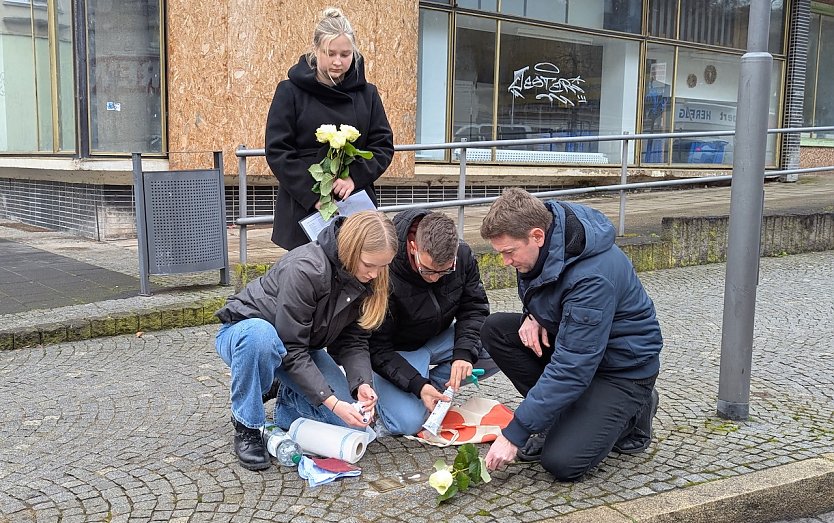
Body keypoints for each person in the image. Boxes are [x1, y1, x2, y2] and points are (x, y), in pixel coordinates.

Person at [479, 188, 663, 482]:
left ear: (537, 236)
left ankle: (637, 408)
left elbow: (572, 367)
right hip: (581, 349)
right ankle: (559, 416)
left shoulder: (591, 277)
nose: (505, 262)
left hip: (621, 369)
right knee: (497, 330)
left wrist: (515, 433)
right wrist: (532, 314)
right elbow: (545, 289)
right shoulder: (545, 242)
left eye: (509, 252)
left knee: (562, 462)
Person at [214, 210, 397, 470]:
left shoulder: (365, 276)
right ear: (351, 249)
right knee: (261, 337)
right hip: (246, 334)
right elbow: (291, 346)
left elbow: (353, 339)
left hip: (298, 349)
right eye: (369, 265)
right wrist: (332, 401)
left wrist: (361, 384)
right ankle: (248, 425)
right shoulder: (306, 268)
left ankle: (285, 399)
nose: (376, 274)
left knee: (351, 427)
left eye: (383, 266)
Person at [265, 7, 394, 251]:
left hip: (353, 203)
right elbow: (278, 151)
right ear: (316, 50)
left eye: (345, 54)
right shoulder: (289, 91)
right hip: (303, 208)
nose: (338, 61)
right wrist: (314, 195)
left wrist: (354, 176)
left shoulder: (368, 95)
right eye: (330, 53)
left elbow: (382, 146)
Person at [369, 210, 498, 436]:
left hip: (437, 339)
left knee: (498, 338)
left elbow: (474, 309)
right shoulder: (385, 268)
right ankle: (389, 386)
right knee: (406, 424)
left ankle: (435, 384)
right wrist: (417, 384)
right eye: (427, 270)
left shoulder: (463, 255)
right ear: (412, 247)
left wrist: (463, 353)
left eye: (445, 271)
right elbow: (376, 348)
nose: (435, 278)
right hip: (398, 352)